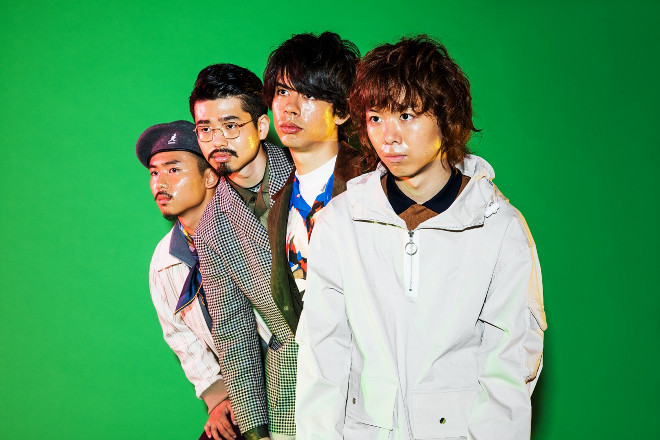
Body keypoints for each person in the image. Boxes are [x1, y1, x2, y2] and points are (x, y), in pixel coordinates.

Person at [295, 36, 547, 439]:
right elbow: (322, 356)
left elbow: (509, 369)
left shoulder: (499, 228)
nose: (388, 136)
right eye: (375, 118)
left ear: (447, 118)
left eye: (407, 115)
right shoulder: (340, 221)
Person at [260, 31, 368, 439]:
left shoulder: (374, 185)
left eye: (307, 94)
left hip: (377, 399)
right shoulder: (277, 205)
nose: (289, 106)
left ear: (341, 111)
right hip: (314, 404)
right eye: (281, 91)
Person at [137, 120, 271, 440]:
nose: (160, 183)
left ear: (210, 175)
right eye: (154, 172)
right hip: (239, 388)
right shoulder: (164, 260)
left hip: (294, 372)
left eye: (173, 170)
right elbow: (180, 335)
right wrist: (218, 396)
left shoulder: (255, 226)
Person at [189, 64, 293, 440]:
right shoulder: (210, 228)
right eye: (205, 129)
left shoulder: (308, 171)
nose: (217, 140)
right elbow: (234, 332)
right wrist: (255, 430)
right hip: (291, 380)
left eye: (231, 125)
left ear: (262, 126)